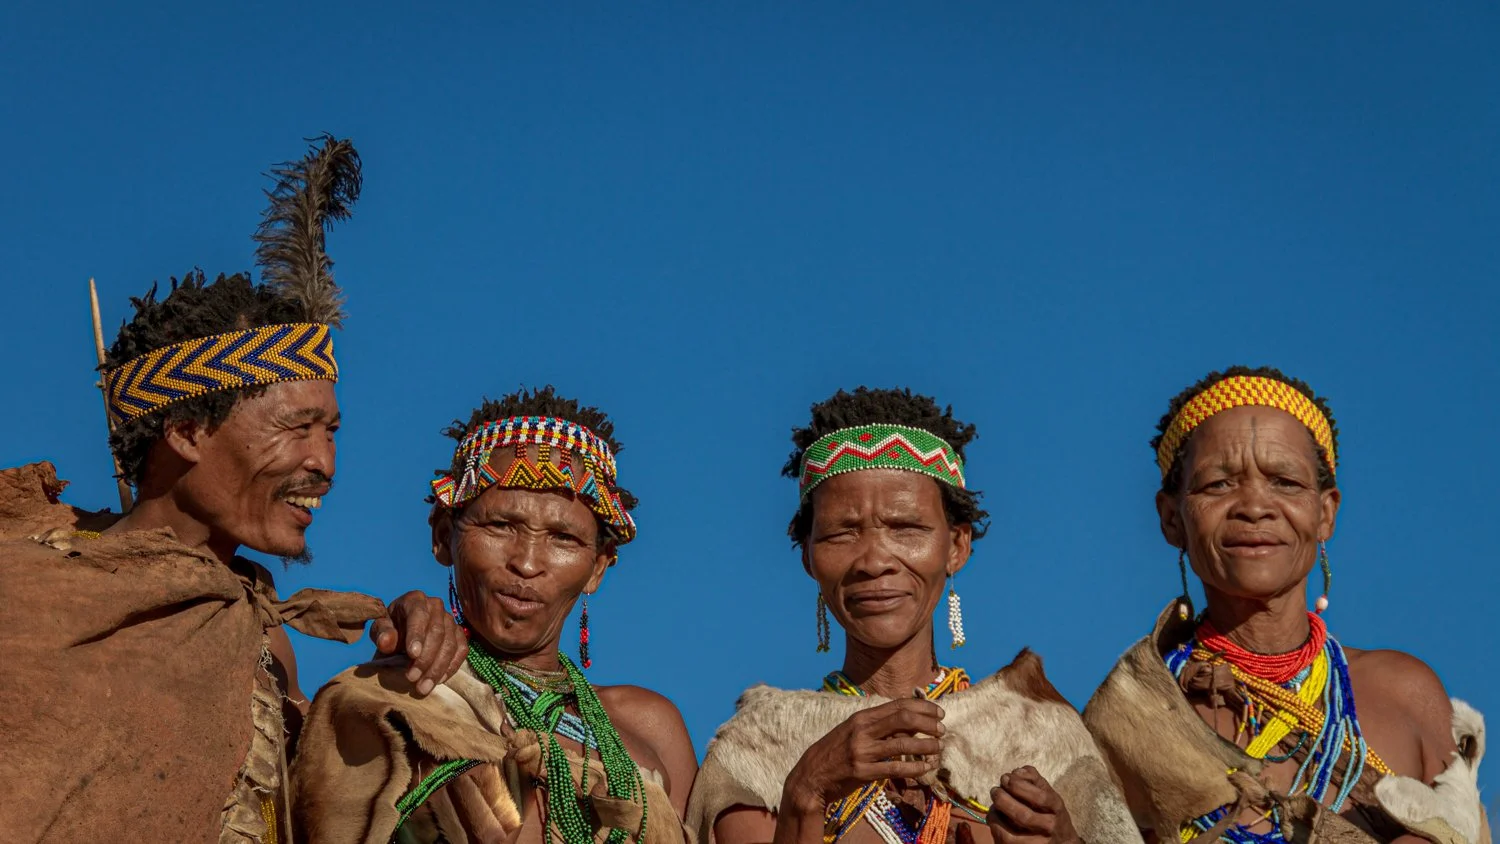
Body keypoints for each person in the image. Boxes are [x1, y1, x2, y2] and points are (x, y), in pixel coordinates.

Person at [0, 135, 467, 844]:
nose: (325, 463)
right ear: (187, 433)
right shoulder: (27, 587)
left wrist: (397, 666)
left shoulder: (261, 638)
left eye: (332, 431)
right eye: (297, 427)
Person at [689, 387, 1140, 844]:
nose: (873, 560)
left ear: (957, 546)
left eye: (906, 528)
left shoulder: (1041, 736)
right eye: (841, 533)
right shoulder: (758, 751)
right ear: (808, 558)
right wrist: (808, 790)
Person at [1083, 366, 1489, 844]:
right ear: (1172, 519)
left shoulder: (1405, 695)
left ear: (1326, 513)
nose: (1254, 506)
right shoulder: (1132, 718)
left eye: (1285, 482)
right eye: (1218, 484)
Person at [293, 387, 697, 844]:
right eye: (501, 526)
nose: (526, 562)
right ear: (445, 538)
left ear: (598, 566)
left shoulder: (652, 725)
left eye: (563, 538)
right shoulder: (390, 700)